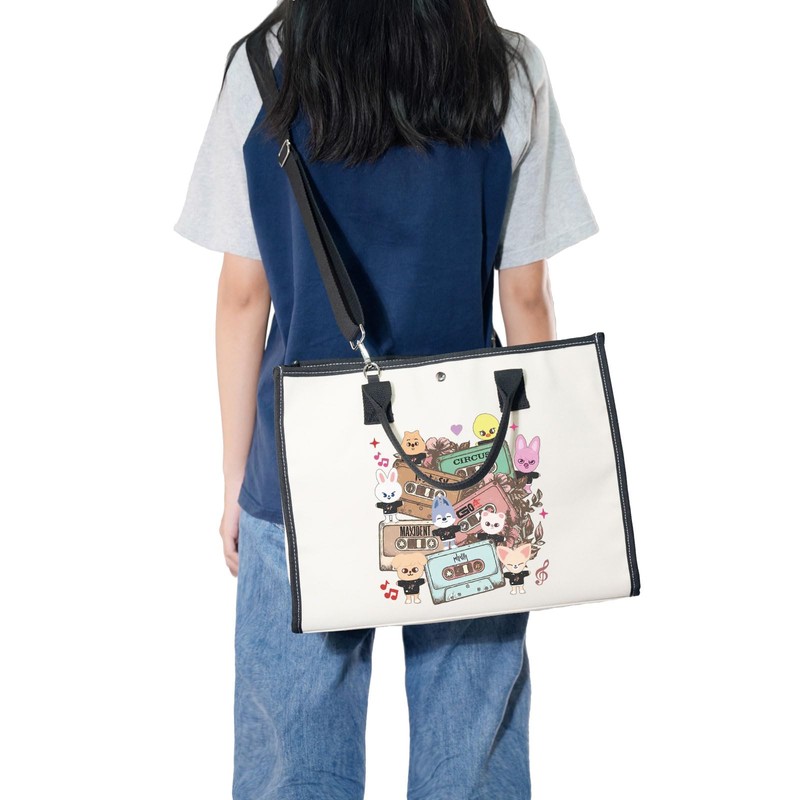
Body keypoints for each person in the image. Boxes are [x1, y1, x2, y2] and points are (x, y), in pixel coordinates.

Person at [174, 2, 599, 798]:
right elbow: (526, 298)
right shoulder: (506, 68)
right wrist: (538, 479)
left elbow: (242, 296)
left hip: (299, 463)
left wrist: (235, 479)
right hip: (470, 466)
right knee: (470, 759)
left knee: (293, 764)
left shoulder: (263, 64)